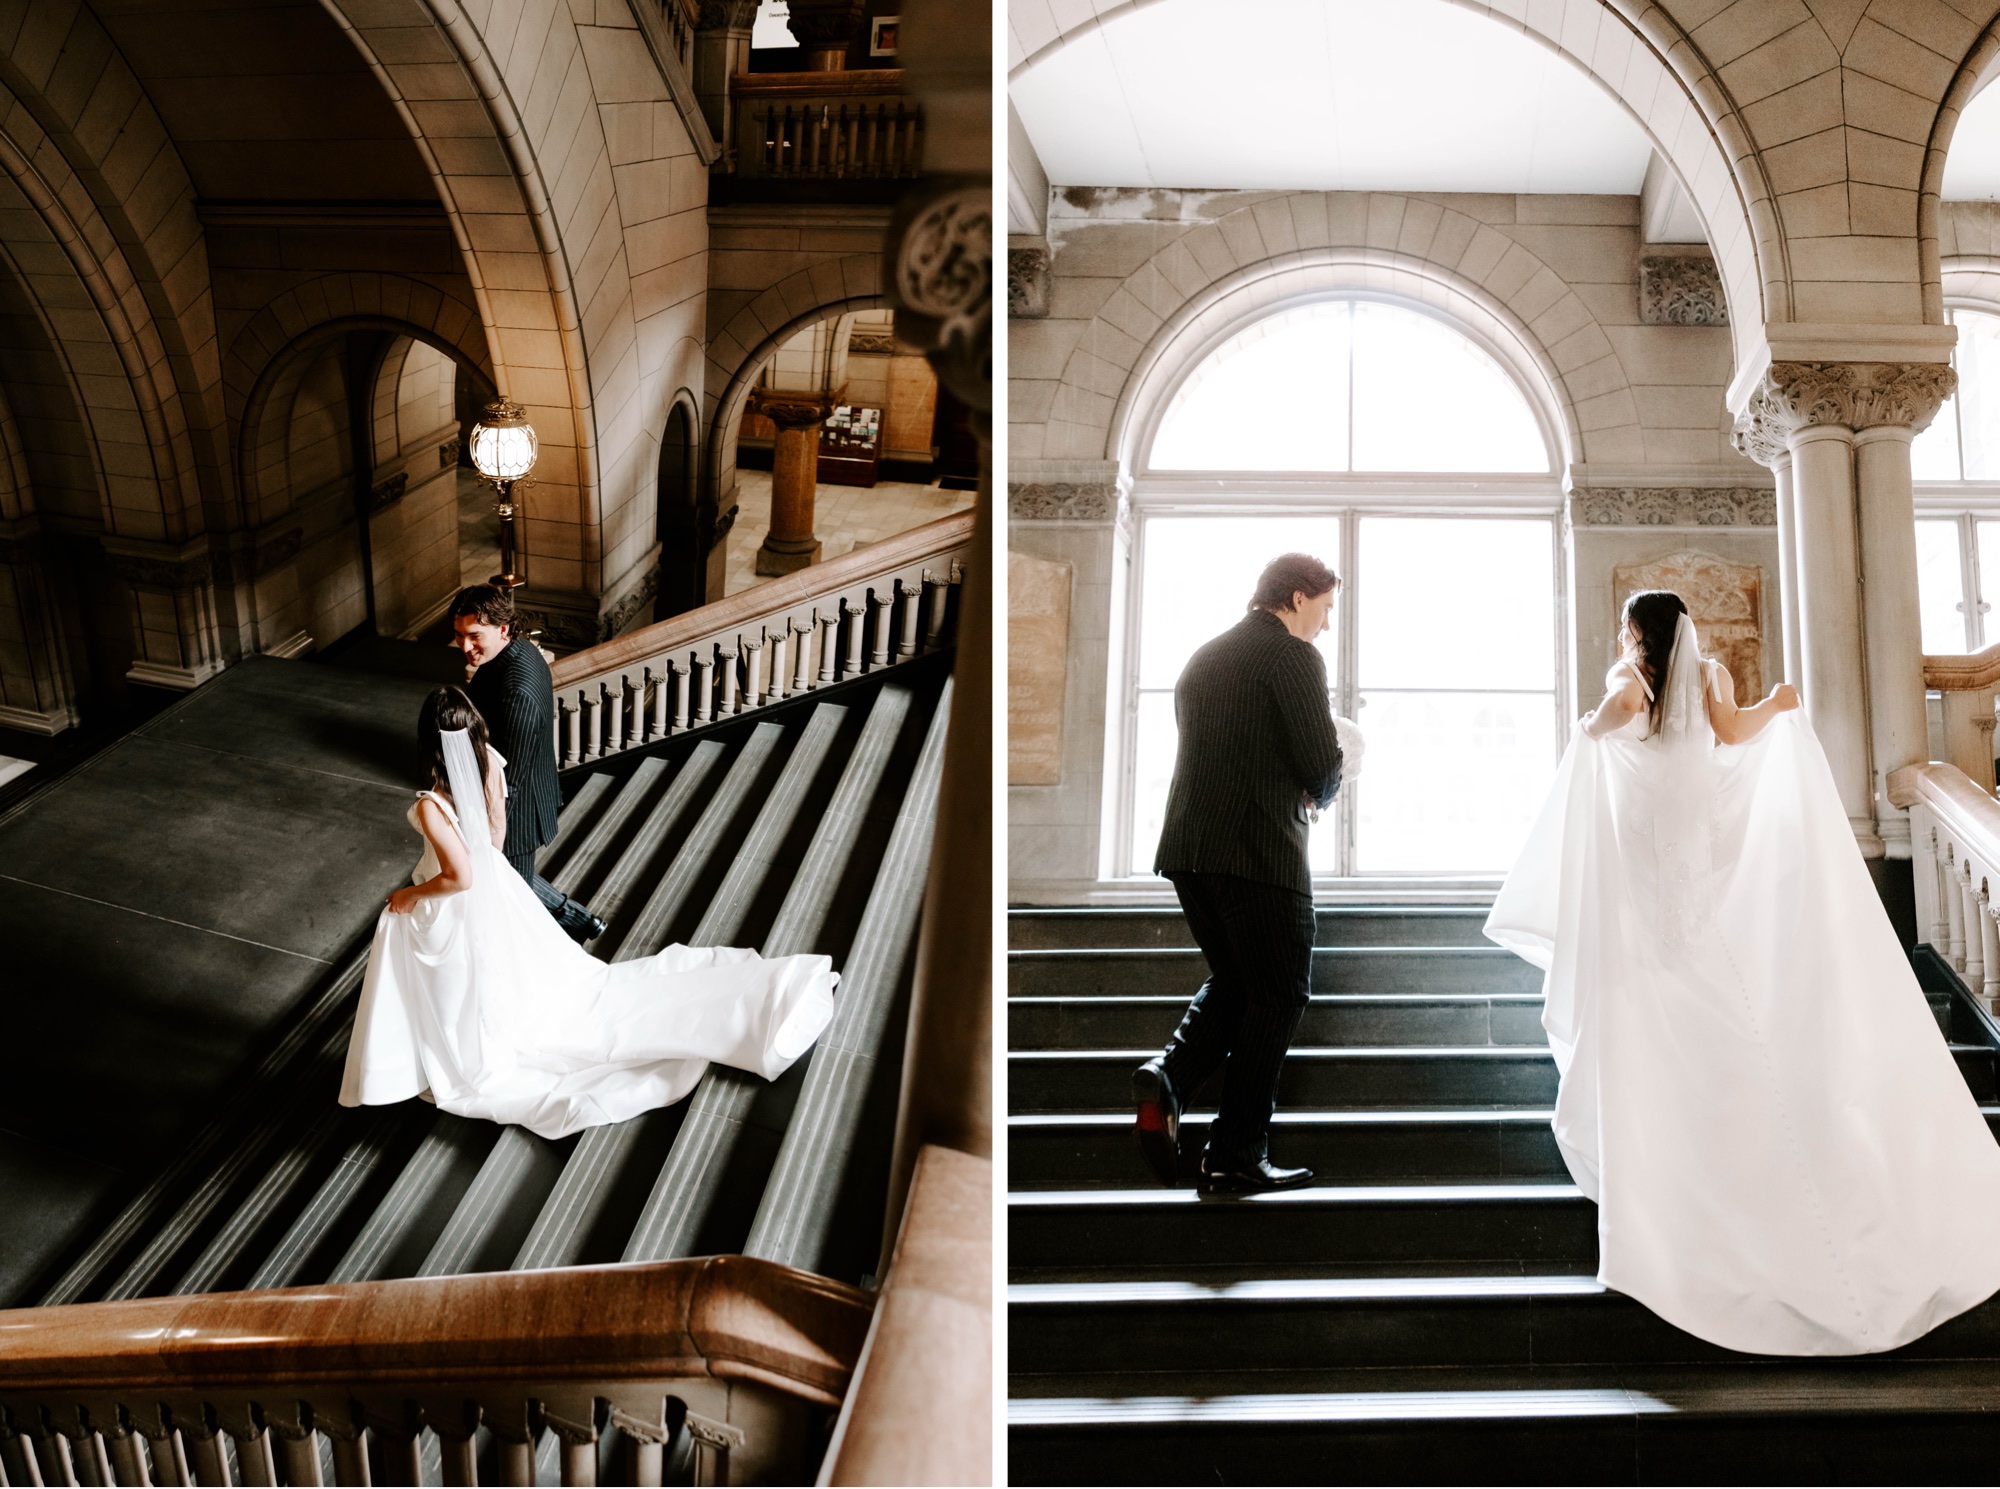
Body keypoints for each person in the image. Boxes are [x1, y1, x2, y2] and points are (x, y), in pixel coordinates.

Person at [1487, 589, 2000, 1355]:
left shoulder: (1633, 679)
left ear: (1639, 632)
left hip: (1651, 836)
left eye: (1628, 626)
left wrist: (1596, 722)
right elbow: (1735, 730)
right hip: (1691, 829)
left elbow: (1604, 726)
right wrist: (1780, 705)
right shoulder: (1713, 677)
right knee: (1707, 954)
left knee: (1661, 964)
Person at [338, 686, 837, 1139]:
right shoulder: (488, 762)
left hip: (455, 902)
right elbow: (493, 839)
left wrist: (411, 896)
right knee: (504, 977)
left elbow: (461, 877)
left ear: (427, 740)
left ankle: (442, 1059)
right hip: (499, 888)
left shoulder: (430, 805)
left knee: (464, 988)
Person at [1135, 553, 1345, 1195]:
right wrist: (1328, 786)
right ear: (1300, 596)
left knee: (1239, 980)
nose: (1326, 625)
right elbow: (1319, 759)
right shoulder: (1292, 656)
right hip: (1259, 852)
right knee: (1280, 994)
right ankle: (1235, 1153)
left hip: (1189, 850)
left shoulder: (1205, 655)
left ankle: (1170, 1076)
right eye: (1327, 608)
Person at [452, 584, 605, 943]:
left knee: (510, 897)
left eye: (475, 636)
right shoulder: (515, 650)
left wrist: (489, 835)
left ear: (502, 628)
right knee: (510, 878)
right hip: (520, 791)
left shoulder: (517, 690)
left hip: (515, 813)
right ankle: (582, 921)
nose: (465, 646)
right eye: (459, 635)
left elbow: (510, 783)